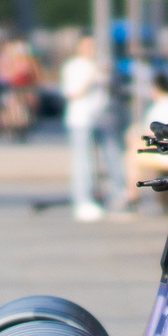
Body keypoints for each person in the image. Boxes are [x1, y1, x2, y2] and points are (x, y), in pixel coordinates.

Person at [123, 70, 168, 210]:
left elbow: (149, 135)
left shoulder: (159, 107)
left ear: (156, 89)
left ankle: (133, 197)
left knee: (132, 156)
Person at [59, 35, 111, 222]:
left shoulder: (97, 66)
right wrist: (92, 76)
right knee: (83, 162)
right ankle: (82, 201)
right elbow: (73, 93)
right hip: (80, 119)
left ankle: (98, 198)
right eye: (88, 46)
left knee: (100, 161)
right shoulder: (74, 67)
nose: (91, 49)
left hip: (98, 119)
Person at [0, 35, 37, 143]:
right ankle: (13, 129)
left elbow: (31, 72)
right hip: (9, 86)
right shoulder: (3, 59)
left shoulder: (24, 59)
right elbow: (2, 73)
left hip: (20, 86)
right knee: (11, 109)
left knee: (19, 109)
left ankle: (19, 129)